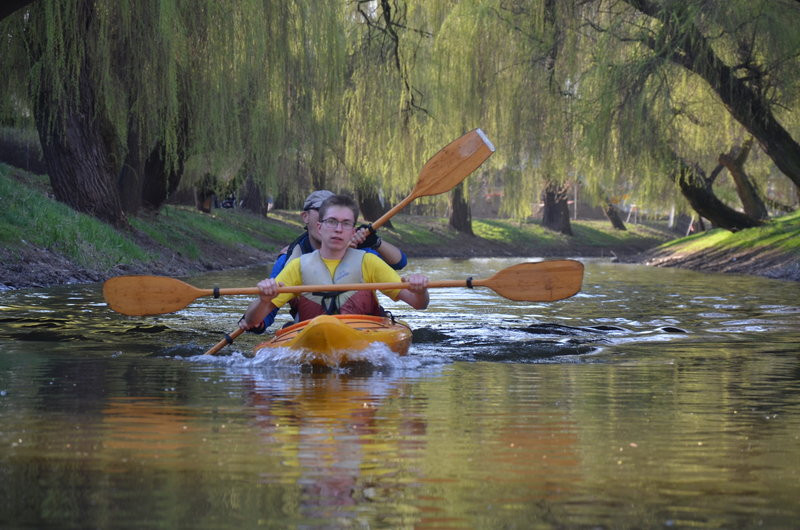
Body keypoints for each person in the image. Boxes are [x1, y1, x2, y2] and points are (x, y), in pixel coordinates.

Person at [239, 194, 428, 331]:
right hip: (313, 334)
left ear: (353, 232)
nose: (338, 229)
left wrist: (421, 291)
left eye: (346, 224)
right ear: (319, 227)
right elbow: (253, 320)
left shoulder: (368, 261)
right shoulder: (296, 266)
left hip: (366, 334)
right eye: (332, 222)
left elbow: (419, 304)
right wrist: (263, 301)